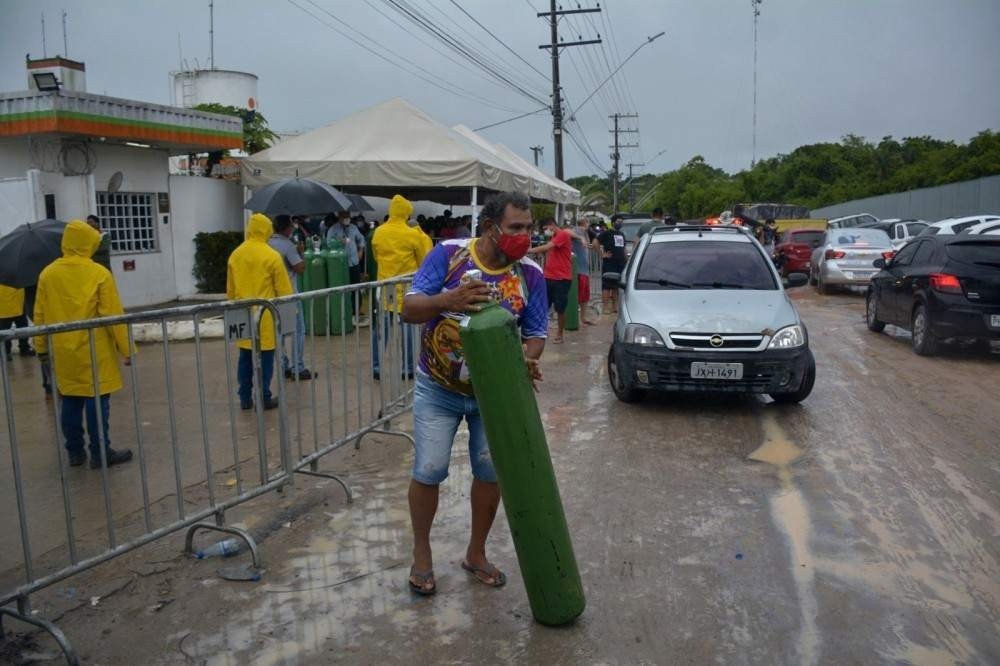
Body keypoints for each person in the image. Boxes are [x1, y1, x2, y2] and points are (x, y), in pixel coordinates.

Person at [401, 191, 547, 595]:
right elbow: (409, 309)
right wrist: (449, 300)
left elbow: (536, 335)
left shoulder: (530, 274)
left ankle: (476, 553)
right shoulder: (449, 255)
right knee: (429, 470)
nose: (525, 235)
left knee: (490, 471)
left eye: (529, 227)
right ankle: (422, 556)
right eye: (516, 227)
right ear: (490, 228)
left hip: (494, 396)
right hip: (438, 389)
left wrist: (527, 359)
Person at [34, 220, 133, 468]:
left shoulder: (47, 274)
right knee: (97, 401)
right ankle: (100, 453)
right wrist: (126, 348)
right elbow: (113, 314)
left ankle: (75, 452)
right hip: (95, 349)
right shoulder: (98, 273)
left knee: (70, 399)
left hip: (63, 349)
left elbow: (40, 315)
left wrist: (41, 348)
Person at [227, 213, 294, 410]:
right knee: (265, 359)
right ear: (267, 230)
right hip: (265, 316)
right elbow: (284, 291)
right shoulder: (271, 255)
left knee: (245, 357)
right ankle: (263, 396)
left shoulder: (236, 254)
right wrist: (290, 315)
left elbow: (230, 290)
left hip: (242, 314)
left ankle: (245, 397)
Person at [370, 194, 432, 379]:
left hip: (384, 287)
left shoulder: (378, 232)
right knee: (407, 329)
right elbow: (423, 261)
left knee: (381, 329)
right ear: (406, 213)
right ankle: (407, 369)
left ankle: (376, 368)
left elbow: (375, 256)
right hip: (405, 289)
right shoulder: (412, 234)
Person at [268, 215, 314, 381]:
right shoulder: (288, 246)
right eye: (292, 226)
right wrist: (301, 254)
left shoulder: (267, 244)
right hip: (289, 295)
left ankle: (284, 364)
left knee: (279, 332)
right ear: (287, 228)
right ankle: (298, 367)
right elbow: (300, 268)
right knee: (298, 331)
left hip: (272, 297)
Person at [528, 218, 574, 343]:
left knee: (560, 308)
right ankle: (542, 330)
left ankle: (560, 334)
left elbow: (548, 247)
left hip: (562, 278)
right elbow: (549, 250)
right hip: (548, 277)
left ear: (552, 225)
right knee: (544, 306)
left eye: (545, 229)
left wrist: (529, 250)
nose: (545, 232)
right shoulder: (553, 237)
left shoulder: (562, 234)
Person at [598, 215, 627, 314]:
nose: (620, 223)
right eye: (619, 221)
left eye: (621, 222)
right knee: (607, 286)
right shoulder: (607, 233)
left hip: (620, 263)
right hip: (609, 263)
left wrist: (626, 260)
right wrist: (602, 254)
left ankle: (615, 307)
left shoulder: (622, 234)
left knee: (616, 286)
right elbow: (595, 242)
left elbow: (623, 248)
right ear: (613, 222)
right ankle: (605, 307)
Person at [570, 219, 596, 325]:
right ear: (585, 223)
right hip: (579, 270)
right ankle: (574, 318)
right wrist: (579, 237)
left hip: (584, 270)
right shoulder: (577, 230)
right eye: (588, 223)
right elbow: (568, 232)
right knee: (578, 296)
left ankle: (583, 318)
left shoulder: (586, 233)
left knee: (585, 297)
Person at [0, 285, 34, 361]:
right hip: (4, 306)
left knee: (23, 328)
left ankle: (24, 348)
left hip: (18, 303)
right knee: (5, 331)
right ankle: (6, 352)